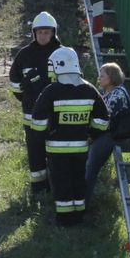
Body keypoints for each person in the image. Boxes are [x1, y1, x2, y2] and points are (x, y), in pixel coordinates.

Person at [30, 47, 110, 226]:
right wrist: (92, 134)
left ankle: (64, 220)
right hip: (81, 148)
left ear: (57, 66)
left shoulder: (51, 91)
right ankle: (79, 216)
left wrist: (41, 138)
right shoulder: (90, 90)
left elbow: (38, 121)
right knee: (78, 181)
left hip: (56, 149)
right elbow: (103, 119)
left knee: (61, 182)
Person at [7, 11, 61, 192]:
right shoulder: (25, 55)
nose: (43, 36)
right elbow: (14, 82)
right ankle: (38, 189)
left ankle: (56, 185)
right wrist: (26, 97)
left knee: (56, 151)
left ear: (53, 33)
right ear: (34, 33)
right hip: (31, 113)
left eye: (46, 32)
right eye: (40, 32)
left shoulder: (62, 54)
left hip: (56, 113)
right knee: (35, 150)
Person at [83, 62, 130, 202]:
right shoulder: (104, 92)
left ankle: (84, 202)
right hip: (100, 134)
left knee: (90, 167)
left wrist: (92, 136)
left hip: (111, 135)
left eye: (102, 75)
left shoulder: (118, 94)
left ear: (112, 77)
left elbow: (108, 122)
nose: (99, 78)